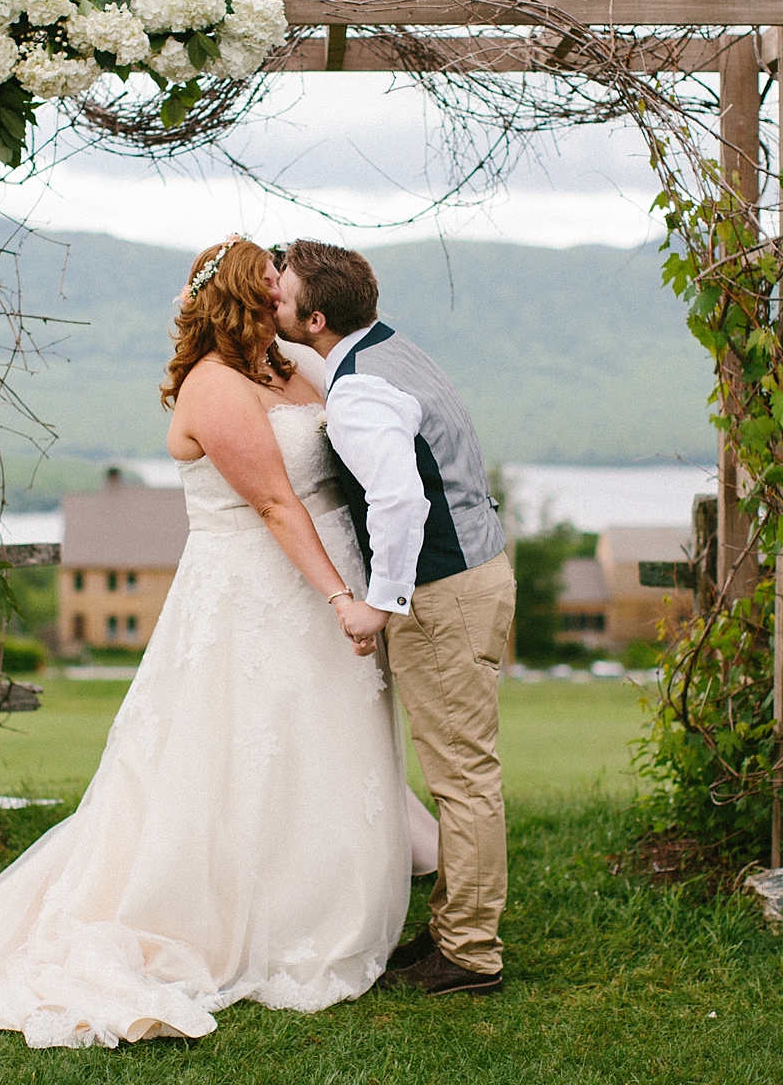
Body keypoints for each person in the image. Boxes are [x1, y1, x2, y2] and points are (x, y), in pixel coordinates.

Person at [0, 237, 435, 1047]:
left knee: (325, 741)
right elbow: (276, 504)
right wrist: (343, 595)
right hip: (260, 592)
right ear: (243, 297)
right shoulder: (214, 387)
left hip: (322, 577)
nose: (283, 297)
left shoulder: (289, 368)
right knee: (244, 750)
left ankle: (335, 889)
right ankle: (249, 919)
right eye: (270, 287)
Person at [274, 240, 516, 997]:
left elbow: (401, 500)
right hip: (473, 573)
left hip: (447, 593)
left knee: (463, 776)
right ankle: (454, 926)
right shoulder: (386, 348)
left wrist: (380, 603)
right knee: (459, 767)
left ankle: (471, 954)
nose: (269, 300)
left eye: (279, 294)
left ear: (315, 319)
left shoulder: (357, 394)